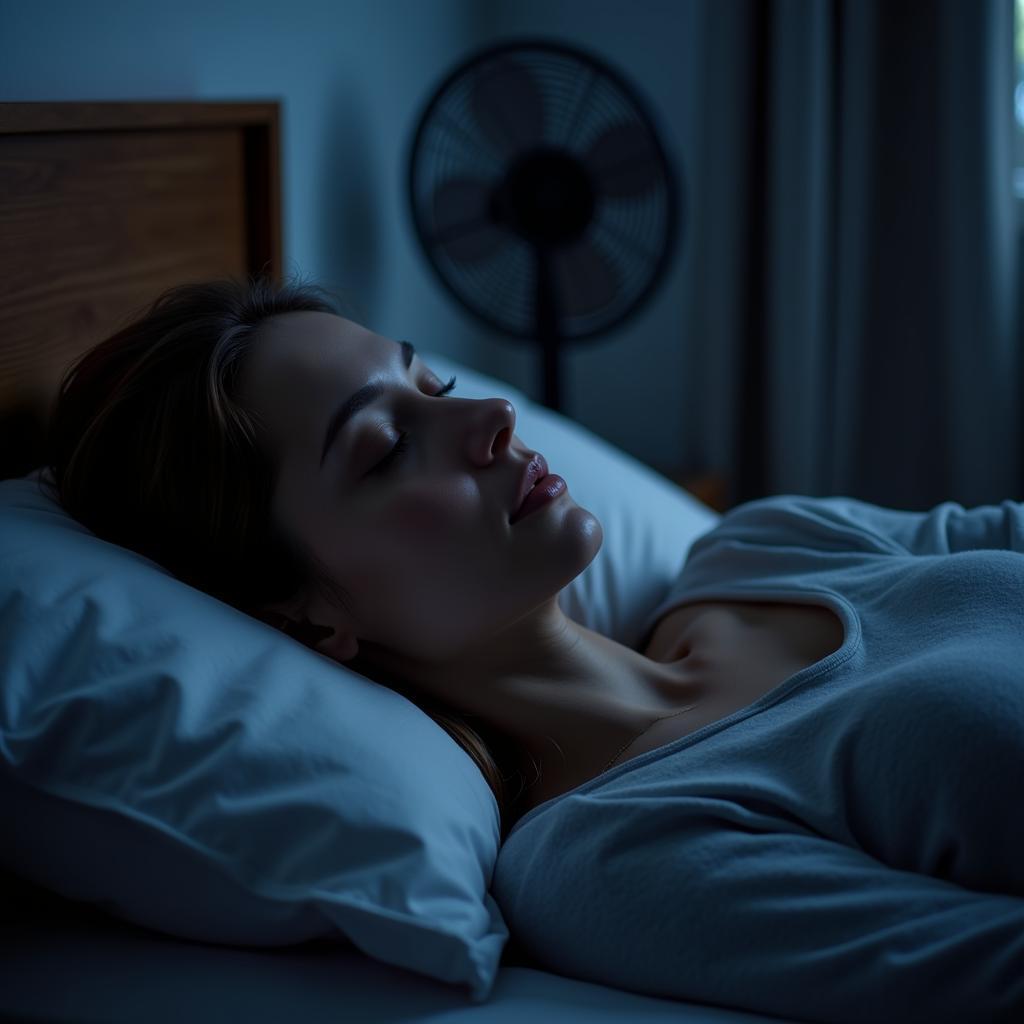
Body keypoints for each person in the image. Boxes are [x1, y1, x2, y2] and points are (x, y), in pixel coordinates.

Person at [48, 275, 1024, 1020]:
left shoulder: (773, 541)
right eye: (385, 445)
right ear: (304, 616)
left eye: (432, 380)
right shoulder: (613, 855)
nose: (488, 416)